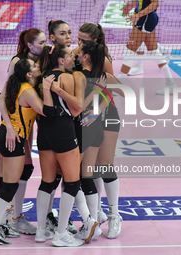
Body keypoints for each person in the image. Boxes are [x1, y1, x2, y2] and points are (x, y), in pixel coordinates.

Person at [0, 58, 55, 245]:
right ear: (29, 74)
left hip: (3, 135)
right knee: (10, 185)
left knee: (5, 182)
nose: (38, 66)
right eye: (34, 66)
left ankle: (1, 224)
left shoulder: (16, 85)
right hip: (13, 140)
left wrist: (8, 126)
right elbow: (46, 111)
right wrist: (47, 89)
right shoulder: (29, 91)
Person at [36, 44, 98, 246]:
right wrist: (60, 90)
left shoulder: (43, 75)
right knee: (72, 182)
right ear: (61, 61)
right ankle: (61, 234)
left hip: (43, 129)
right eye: (71, 56)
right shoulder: (68, 77)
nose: (74, 58)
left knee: (47, 181)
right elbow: (77, 108)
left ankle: (40, 231)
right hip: (62, 130)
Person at [73, 23, 123, 239]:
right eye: (78, 38)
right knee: (89, 168)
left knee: (106, 165)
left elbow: (114, 89)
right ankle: (97, 213)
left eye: (83, 40)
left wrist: (97, 110)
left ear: (94, 41)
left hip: (106, 115)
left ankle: (114, 215)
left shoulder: (103, 60)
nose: (79, 42)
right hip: (85, 117)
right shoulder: (76, 55)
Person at [0, 28, 47, 235]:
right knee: (11, 174)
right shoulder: (19, 62)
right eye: (41, 42)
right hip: (13, 122)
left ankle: (12, 217)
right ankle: (9, 217)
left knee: (26, 168)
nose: (45, 45)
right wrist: (8, 126)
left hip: (29, 119)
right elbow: (3, 96)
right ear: (30, 45)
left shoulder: (43, 60)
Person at [119, 0, 177, 95]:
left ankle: (118, 86)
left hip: (145, 20)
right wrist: (132, 5)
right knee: (154, 52)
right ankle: (171, 85)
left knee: (129, 52)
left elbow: (155, 3)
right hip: (145, 19)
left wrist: (138, 15)